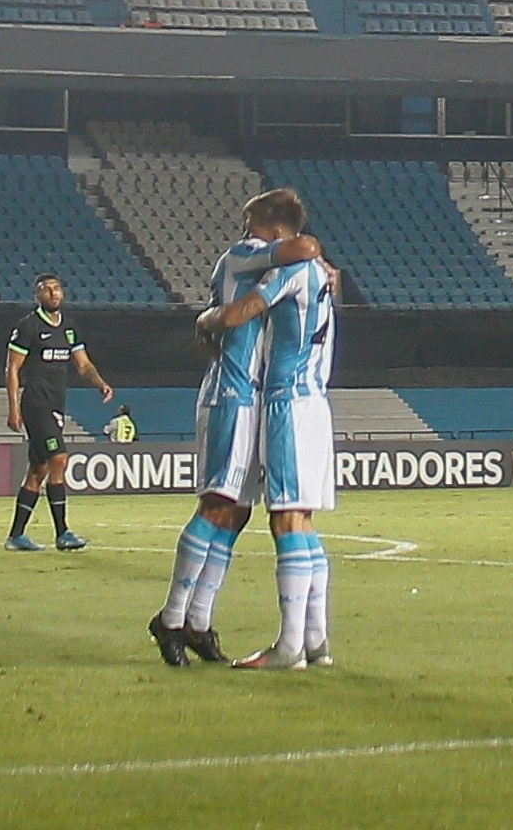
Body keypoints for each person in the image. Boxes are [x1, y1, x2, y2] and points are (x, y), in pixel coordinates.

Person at [150, 192, 323, 668]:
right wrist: (207, 319)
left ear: (270, 223)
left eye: (251, 221)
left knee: (237, 513)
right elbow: (303, 249)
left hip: (250, 394)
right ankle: (170, 618)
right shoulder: (243, 256)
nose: (243, 229)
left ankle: (199, 623)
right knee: (217, 503)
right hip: (230, 393)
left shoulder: (265, 266)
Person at [198, 197, 339, 670]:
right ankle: (316, 643)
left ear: (278, 235)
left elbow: (239, 314)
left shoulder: (289, 272)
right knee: (303, 521)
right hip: (317, 402)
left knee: (285, 520)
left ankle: (289, 647)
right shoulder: (321, 275)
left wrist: (207, 319)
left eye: (252, 227)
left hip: (287, 401)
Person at [6, 274, 116, 551]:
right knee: (59, 458)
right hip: (35, 403)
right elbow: (12, 368)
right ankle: (62, 533)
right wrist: (13, 408)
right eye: (47, 289)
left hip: (56, 405)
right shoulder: (28, 326)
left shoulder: (69, 328)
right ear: (37, 296)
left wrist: (100, 383)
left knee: (38, 469)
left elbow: (83, 365)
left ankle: (16, 535)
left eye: (57, 289)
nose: (53, 293)